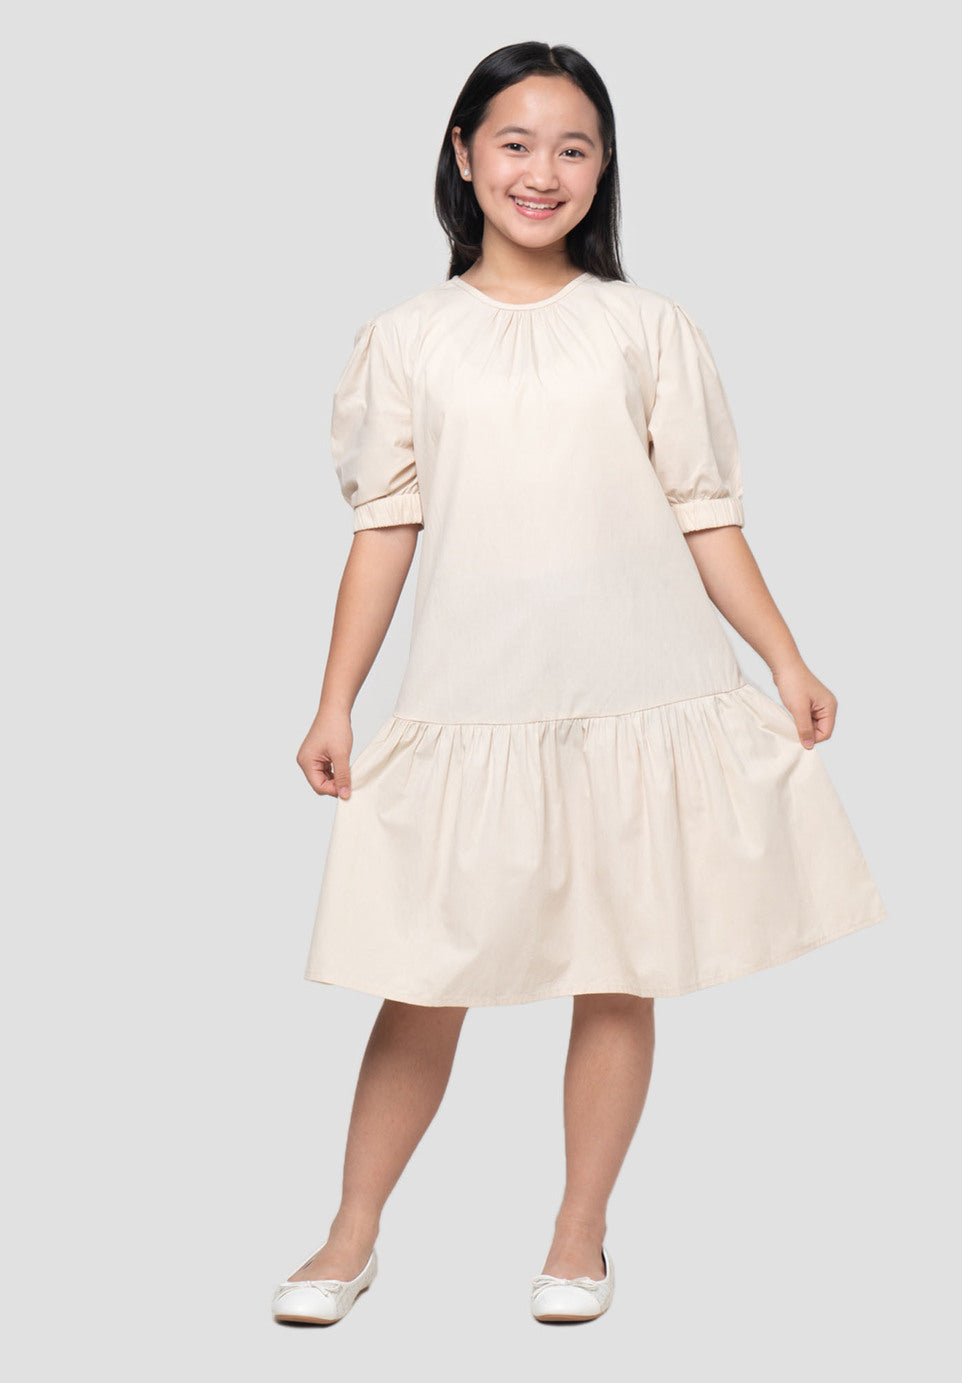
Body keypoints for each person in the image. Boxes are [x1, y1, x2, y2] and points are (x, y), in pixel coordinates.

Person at [271, 40, 887, 1327]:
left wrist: (785, 657)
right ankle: (350, 1231)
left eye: (573, 148)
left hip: (636, 682)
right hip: (477, 694)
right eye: (515, 142)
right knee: (424, 974)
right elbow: (385, 528)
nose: (541, 171)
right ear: (462, 155)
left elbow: (704, 511)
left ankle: (579, 1234)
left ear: (603, 169)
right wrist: (336, 699)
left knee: (619, 960)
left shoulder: (645, 328)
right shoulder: (408, 340)